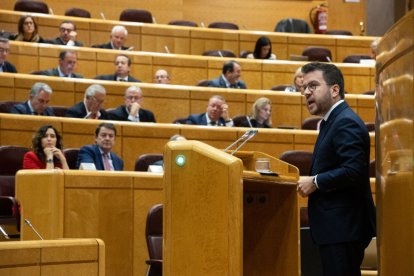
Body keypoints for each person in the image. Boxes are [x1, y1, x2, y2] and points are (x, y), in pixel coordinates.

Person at [296, 62, 376, 276]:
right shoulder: (332, 121)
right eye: (304, 88)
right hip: (337, 229)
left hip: (343, 229)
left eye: (313, 86)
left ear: (334, 89)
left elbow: (353, 171)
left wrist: (315, 182)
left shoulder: (345, 122)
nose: (306, 92)